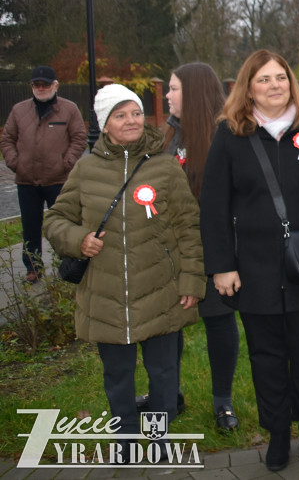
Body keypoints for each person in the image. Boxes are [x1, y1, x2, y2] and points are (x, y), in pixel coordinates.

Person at [42, 84, 204, 449]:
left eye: (135, 112)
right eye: (120, 115)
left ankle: (160, 441)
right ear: (105, 123)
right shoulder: (86, 168)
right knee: (117, 374)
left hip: (161, 289)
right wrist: (78, 239)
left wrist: (192, 281)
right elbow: (54, 220)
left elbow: (189, 228)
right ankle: (126, 440)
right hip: (105, 293)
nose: (131, 120)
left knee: (164, 374)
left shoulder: (164, 166)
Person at [200, 50, 299, 472]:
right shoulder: (230, 134)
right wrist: (222, 265)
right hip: (255, 270)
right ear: (248, 87)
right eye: (263, 79)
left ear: (291, 82)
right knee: (267, 357)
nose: (274, 85)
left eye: (281, 77)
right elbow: (214, 206)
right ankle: (278, 434)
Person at [162, 62, 240, 430]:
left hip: (212, 251)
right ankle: (169, 393)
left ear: (191, 93)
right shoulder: (167, 137)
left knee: (219, 321)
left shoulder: (225, 137)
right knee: (169, 325)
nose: (167, 95)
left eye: (174, 89)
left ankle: (223, 402)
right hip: (170, 253)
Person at [1, 65, 87, 283]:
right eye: (36, 84)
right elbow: (7, 138)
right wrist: (14, 162)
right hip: (26, 180)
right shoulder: (19, 110)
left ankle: (65, 265)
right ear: (31, 86)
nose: (40, 88)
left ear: (55, 85)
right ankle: (33, 267)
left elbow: (79, 138)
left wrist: (66, 163)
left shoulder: (69, 109)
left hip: (58, 180)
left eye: (45, 84)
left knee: (62, 225)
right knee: (30, 227)